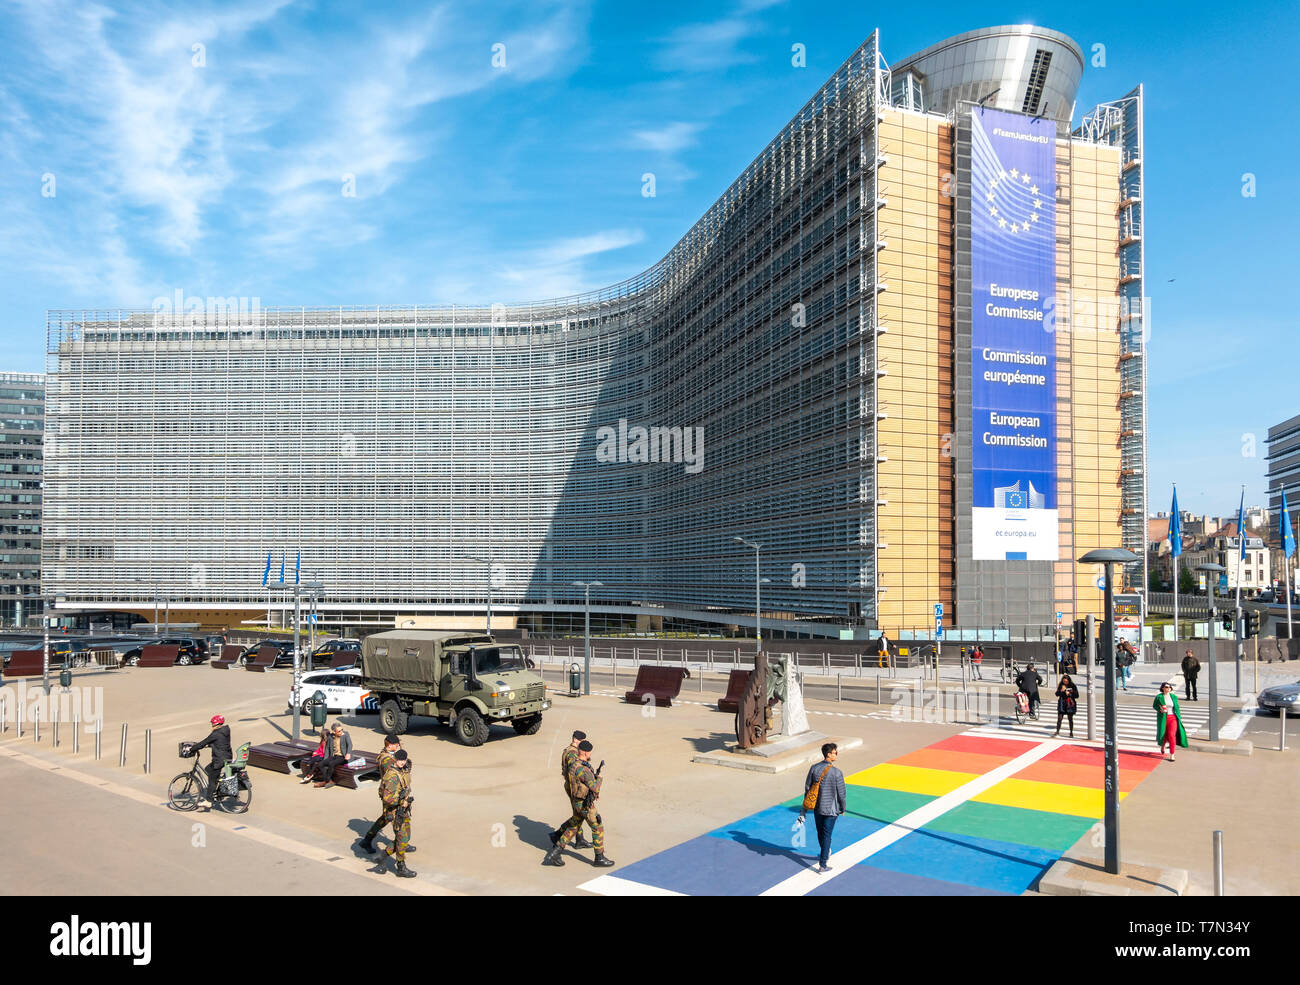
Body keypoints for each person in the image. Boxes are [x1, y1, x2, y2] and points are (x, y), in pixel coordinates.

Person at [543, 740, 614, 868]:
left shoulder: (575, 764)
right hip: (584, 805)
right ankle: (599, 857)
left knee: (574, 826)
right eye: (590, 752)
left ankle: (555, 852)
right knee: (597, 826)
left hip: (577, 801)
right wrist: (600, 778)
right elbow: (595, 787)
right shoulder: (583, 769)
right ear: (586, 752)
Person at [358, 735, 418, 855]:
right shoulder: (386, 759)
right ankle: (401, 842)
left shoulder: (390, 755)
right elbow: (392, 772)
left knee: (385, 818)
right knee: (396, 819)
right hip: (391, 793)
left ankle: (367, 840)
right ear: (389, 745)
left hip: (396, 791)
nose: (397, 746)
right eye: (396, 744)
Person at [798, 742, 846, 873]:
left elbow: (808, 788)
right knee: (827, 835)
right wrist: (843, 807)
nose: (836, 754)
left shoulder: (814, 768)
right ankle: (823, 864)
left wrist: (805, 807)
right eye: (835, 752)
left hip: (817, 808)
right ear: (829, 754)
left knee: (821, 833)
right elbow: (841, 793)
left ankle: (825, 851)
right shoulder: (837, 773)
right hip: (831, 810)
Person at [368, 750, 416, 877]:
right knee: (401, 839)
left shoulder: (402, 771)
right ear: (395, 759)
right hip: (395, 811)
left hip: (403, 810)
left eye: (404, 760)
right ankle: (401, 866)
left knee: (405, 838)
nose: (402, 762)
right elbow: (387, 799)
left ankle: (382, 856)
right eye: (400, 760)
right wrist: (401, 802)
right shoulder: (392, 776)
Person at [550, 730, 593, 850]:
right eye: (583, 741)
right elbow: (573, 772)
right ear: (577, 740)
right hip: (574, 787)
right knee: (578, 815)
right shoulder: (572, 754)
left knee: (577, 814)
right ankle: (558, 834)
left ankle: (579, 839)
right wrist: (577, 790)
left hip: (572, 786)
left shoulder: (569, 750)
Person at [188, 714, 232, 803]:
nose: (211, 726)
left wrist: (192, 749)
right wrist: (210, 745)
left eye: (212, 724)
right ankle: (216, 787)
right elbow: (221, 743)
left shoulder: (215, 734)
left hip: (219, 759)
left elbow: (203, 742)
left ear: (216, 724)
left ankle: (208, 800)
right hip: (227, 756)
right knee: (208, 769)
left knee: (212, 778)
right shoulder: (225, 730)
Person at [312, 721, 352, 789]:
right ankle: (329, 781)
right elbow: (327, 748)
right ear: (334, 732)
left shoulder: (345, 734)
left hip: (343, 757)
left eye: (341, 729)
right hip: (334, 756)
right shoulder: (330, 736)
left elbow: (350, 745)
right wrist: (325, 759)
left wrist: (348, 753)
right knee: (320, 764)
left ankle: (325, 781)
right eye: (339, 731)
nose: (341, 731)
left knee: (331, 764)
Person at [1154, 682, 1188, 761]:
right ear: (1162, 688)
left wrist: (1179, 716)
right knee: (1164, 734)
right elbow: (1154, 706)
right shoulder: (1159, 697)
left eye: (1169, 687)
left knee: (1171, 735)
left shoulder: (1173, 696)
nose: (1168, 688)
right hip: (1163, 718)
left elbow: (1177, 707)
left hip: (1173, 718)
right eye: (1166, 687)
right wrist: (1160, 709)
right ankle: (1163, 746)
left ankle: (1172, 754)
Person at [1054, 674, 1079, 738]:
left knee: (1070, 719)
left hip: (1069, 704)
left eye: (1066, 681)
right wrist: (1061, 691)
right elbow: (1056, 694)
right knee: (1059, 718)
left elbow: (1077, 695)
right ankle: (1057, 731)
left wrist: (1070, 693)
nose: (1065, 682)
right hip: (1062, 703)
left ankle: (1071, 732)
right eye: (1064, 681)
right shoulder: (1061, 685)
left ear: (1069, 681)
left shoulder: (1073, 686)